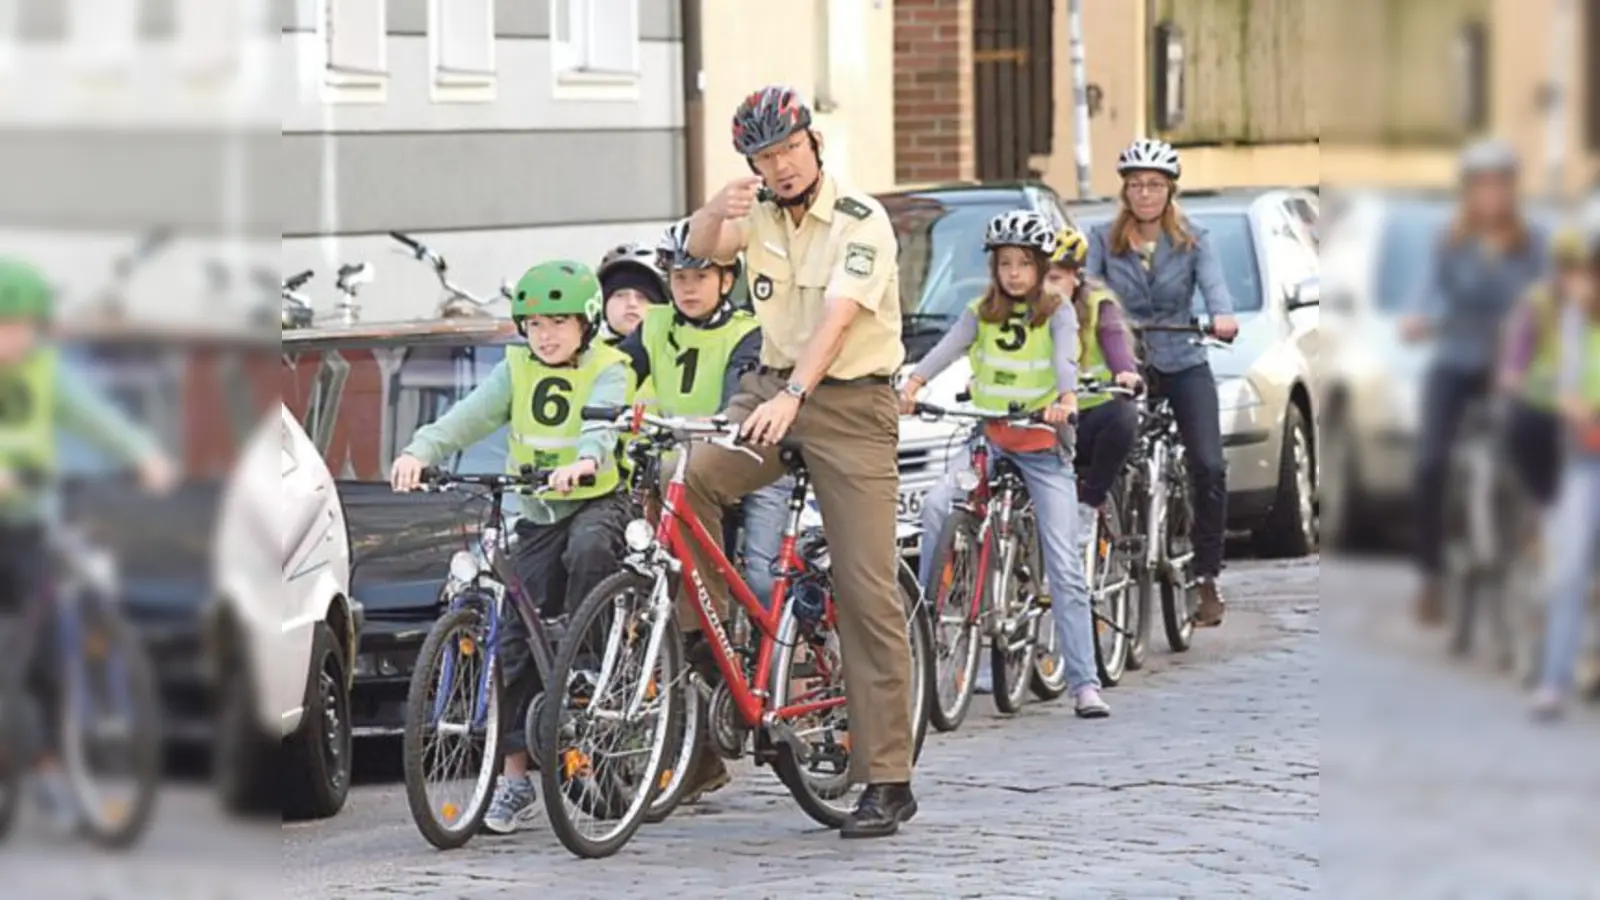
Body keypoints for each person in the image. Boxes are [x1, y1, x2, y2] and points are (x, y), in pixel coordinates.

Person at [683, 84, 916, 838]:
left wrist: (794, 393)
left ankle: (888, 777)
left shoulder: (860, 220)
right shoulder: (752, 215)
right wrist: (714, 208)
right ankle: (718, 644)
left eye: (787, 150)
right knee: (682, 480)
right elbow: (695, 252)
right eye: (763, 156)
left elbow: (838, 319)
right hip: (771, 391)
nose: (779, 166)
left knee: (865, 589)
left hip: (848, 402)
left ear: (813, 144)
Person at [389, 260, 631, 835]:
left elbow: (603, 425)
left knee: (590, 551)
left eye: (559, 323)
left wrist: (586, 460)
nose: (545, 335)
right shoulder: (516, 368)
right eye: (535, 324)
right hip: (537, 508)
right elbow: (468, 417)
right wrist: (420, 451)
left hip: (594, 498)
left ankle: (589, 669)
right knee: (515, 643)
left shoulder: (610, 366)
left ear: (587, 323)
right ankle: (515, 779)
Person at [902, 211, 1108, 718]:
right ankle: (929, 622)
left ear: (1041, 267)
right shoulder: (979, 311)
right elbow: (945, 350)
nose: (1014, 273)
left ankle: (1084, 682)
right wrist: (911, 386)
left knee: (1062, 563)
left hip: (1041, 445)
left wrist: (1066, 397)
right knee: (934, 507)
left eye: (1024, 264)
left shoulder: (1058, 311)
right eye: (1004, 263)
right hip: (989, 438)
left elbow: (1066, 358)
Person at [0, 258, 179, 833]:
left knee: (50, 647)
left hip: (27, 523)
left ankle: (51, 767)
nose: (17, 338)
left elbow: (95, 417)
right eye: (8, 325)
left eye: (27, 326)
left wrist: (143, 455)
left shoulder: (44, 372)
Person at [616, 217, 789, 803]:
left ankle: (777, 677)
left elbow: (740, 394)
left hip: (746, 462)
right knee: (671, 597)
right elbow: (616, 375)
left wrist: (712, 427)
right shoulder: (655, 325)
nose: (688, 287)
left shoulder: (748, 329)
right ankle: (698, 742)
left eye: (701, 276)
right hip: (676, 476)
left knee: (763, 578)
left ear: (726, 279)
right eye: (679, 276)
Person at [1085, 138, 1239, 627]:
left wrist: (1222, 316)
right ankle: (1109, 541)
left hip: (1182, 356)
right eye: (1136, 186)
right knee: (1113, 448)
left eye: (1154, 185)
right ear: (1125, 192)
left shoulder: (1195, 239)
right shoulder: (1100, 239)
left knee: (1209, 465)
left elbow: (1215, 287)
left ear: (1170, 192)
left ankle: (1205, 575)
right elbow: (1084, 292)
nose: (1145, 194)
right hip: (1126, 361)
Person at [1400, 138, 1547, 624]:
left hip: (1512, 365)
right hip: (1456, 358)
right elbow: (1424, 289)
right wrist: (1418, 316)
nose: (1491, 196)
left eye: (1499, 186)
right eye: (1481, 186)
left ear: (1511, 191)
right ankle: (1432, 575)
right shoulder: (1449, 241)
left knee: (1535, 445)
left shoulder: (1533, 243)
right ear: (1468, 192)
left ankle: (1532, 542)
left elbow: (1550, 296)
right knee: (1430, 462)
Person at [1519, 218, 1600, 718]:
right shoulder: (1573, 322)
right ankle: (1554, 678)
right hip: (1582, 458)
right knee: (1568, 572)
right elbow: (1557, 384)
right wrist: (1573, 408)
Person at [1046, 226, 1143, 550]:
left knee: (1124, 418)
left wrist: (1125, 373)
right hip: (1051, 418)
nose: (1048, 286)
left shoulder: (1099, 306)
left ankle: (1089, 503)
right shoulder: (1026, 311)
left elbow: (1115, 342)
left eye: (1056, 277)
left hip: (1092, 415)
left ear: (1076, 276)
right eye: (1042, 277)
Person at [596, 242, 669, 344]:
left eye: (642, 296)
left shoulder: (680, 355)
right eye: (620, 295)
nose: (632, 303)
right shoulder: (582, 356)